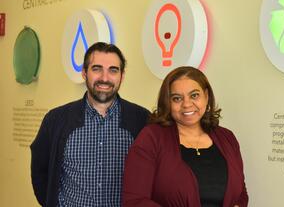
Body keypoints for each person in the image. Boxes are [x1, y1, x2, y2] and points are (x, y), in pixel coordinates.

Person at [30, 42, 150, 207]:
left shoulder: (142, 120)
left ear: (122, 76)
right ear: (84, 73)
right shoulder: (56, 119)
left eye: (113, 70)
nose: (104, 78)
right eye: (96, 69)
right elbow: (40, 172)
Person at [122, 66, 248, 207]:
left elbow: (241, 193)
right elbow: (134, 201)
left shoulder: (227, 138)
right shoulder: (151, 138)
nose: (187, 104)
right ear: (168, 103)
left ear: (206, 96)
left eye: (194, 95)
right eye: (177, 98)